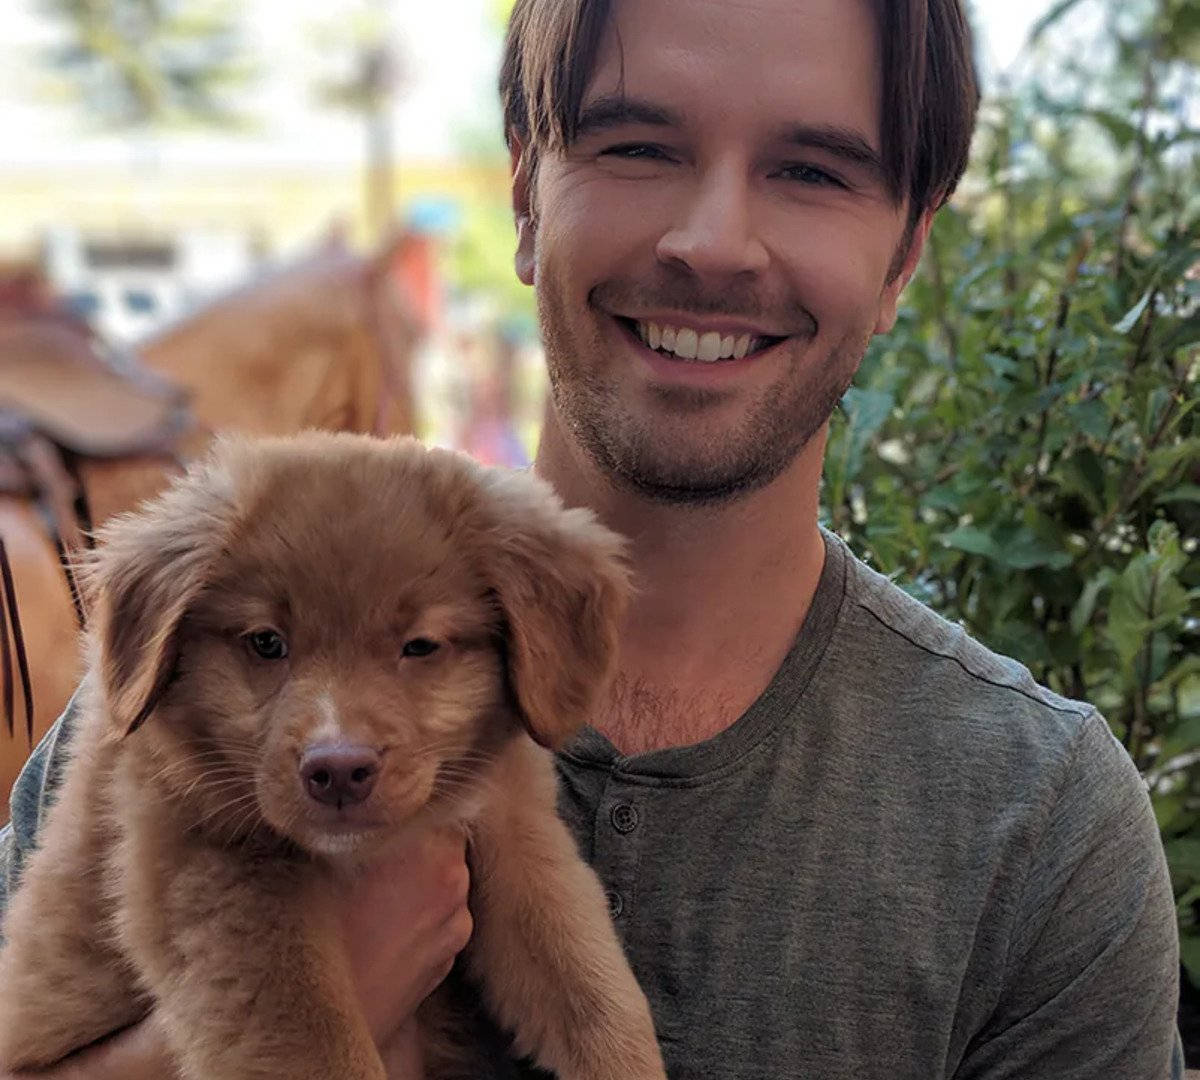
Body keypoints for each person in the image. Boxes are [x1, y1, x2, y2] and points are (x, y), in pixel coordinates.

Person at [0, 0, 1184, 1076]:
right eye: (638, 146)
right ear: (524, 198)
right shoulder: (147, 717)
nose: (714, 242)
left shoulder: (1037, 833)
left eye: (812, 169)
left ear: (905, 257)